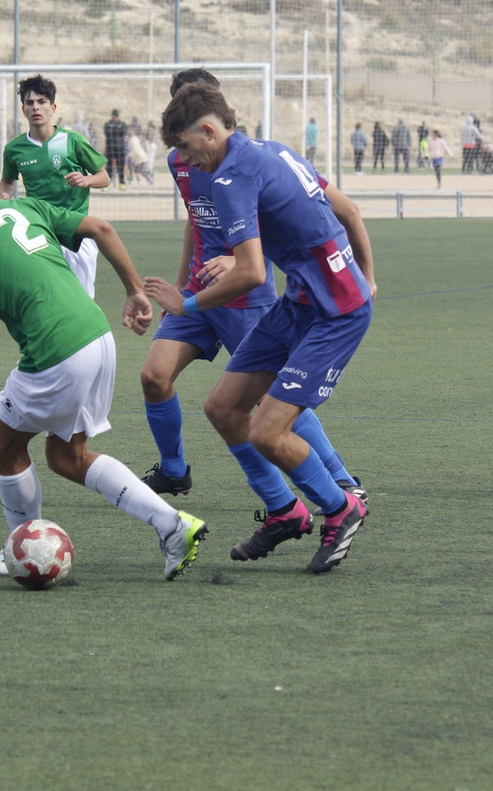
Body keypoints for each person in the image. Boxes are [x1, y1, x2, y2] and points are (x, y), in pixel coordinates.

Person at [0, 150, 208, 580]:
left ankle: (21, 544)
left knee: (2, 443)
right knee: (66, 456)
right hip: (97, 335)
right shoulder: (23, 205)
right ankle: (172, 525)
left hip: (57, 351)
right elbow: (101, 227)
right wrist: (134, 290)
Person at [148, 83, 376, 573]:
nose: (186, 159)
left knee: (268, 431)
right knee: (223, 407)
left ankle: (341, 507)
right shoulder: (273, 150)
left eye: (186, 146)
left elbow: (251, 273)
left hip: (334, 314)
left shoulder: (230, 179)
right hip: (300, 303)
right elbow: (343, 213)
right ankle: (284, 511)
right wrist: (366, 276)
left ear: (208, 130)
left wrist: (185, 305)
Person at [0, 75, 110, 300]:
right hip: (39, 233)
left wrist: (86, 180)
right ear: (23, 110)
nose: (36, 108)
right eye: (30, 103)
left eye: (41, 102)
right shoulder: (14, 149)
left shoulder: (73, 141)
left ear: (53, 107)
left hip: (77, 233)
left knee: (81, 301)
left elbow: (104, 177)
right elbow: (7, 181)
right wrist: (4, 197)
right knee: (45, 299)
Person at [104, 109, 128, 189]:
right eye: (114, 116)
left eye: (116, 116)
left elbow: (123, 131)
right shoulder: (108, 124)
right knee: (109, 167)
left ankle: (122, 183)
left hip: (120, 149)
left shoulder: (122, 124)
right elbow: (108, 133)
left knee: (121, 167)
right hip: (110, 148)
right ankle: (107, 184)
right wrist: (117, 130)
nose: (115, 118)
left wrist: (115, 130)